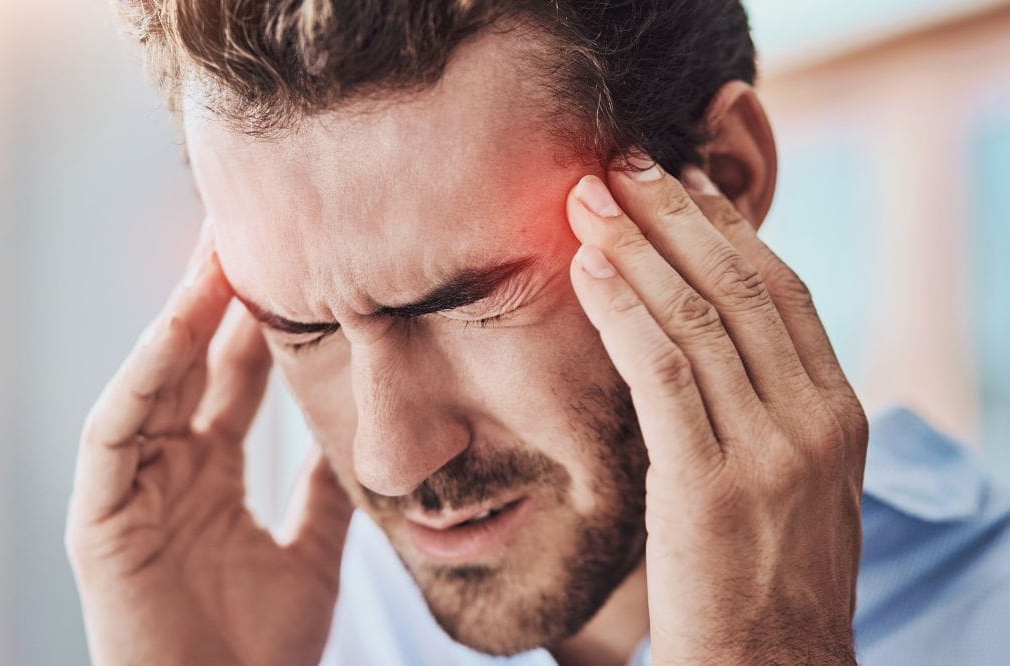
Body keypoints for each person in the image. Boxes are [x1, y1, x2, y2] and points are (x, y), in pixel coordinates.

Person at [64, 2, 1010, 664]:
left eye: (464, 301)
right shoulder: (296, 634)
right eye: (300, 324)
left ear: (724, 174)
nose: (392, 462)